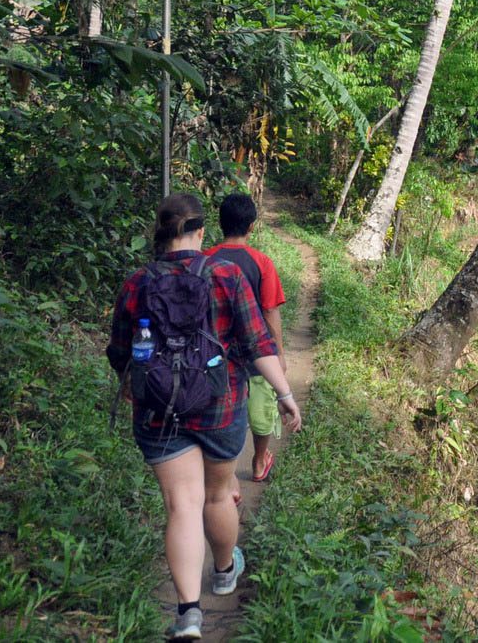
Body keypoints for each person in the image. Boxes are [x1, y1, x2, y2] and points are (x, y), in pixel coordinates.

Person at [107, 193, 301, 641]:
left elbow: (120, 354)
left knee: (181, 505)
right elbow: (258, 343)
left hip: (158, 413)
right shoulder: (226, 274)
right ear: (200, 231)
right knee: (216, 496)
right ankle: (224, 570)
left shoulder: (137, 282)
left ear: (159, 232)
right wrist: (285, 393)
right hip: (219, 406)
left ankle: (189, 613)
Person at [206, 193, 286, 483]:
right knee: (261, 411)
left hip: (215, 354)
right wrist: (278, 353)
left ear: (220, 223)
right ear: (252, 226)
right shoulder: (261, 262)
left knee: (220, 410)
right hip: (256, 356)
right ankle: (258, 461)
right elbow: (270, 312)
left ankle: (222, 471)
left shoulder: (205, 259)